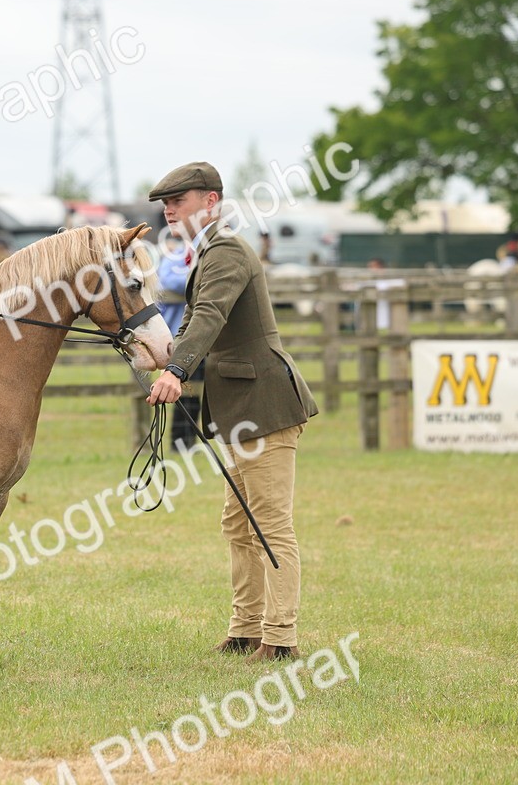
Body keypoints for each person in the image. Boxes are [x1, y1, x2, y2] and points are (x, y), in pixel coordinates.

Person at [146, 162, 318, 663]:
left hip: (264, 404)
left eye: (178, 201)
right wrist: (162, 356)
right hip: (242, 406)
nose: (169, 211)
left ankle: (280, 638)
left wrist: (176, 369)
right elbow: (198, 323)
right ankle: (245, 629)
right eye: (166, 204)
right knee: (239, 525)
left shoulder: (225, 251)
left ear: (211, 202)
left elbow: (209, 315)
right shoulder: (209, 252)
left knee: (269, 524)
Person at [157, 240, 202, 448]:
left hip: (200, 339)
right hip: (178, 338)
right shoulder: (175, 257)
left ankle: (190, 440)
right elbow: (166, 279)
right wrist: (199, 280)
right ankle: (180, 441)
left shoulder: (204, 253)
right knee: (184, 391)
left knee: (196, 393)